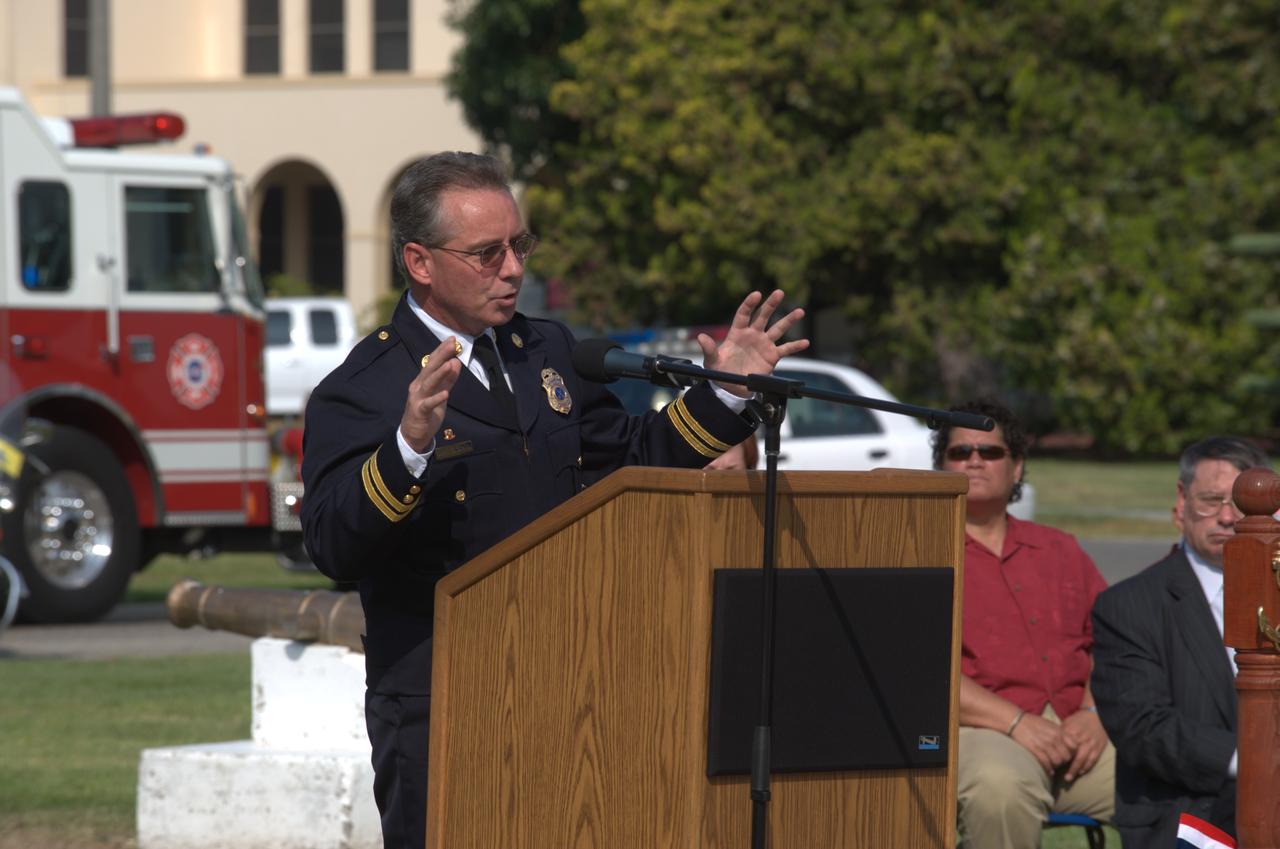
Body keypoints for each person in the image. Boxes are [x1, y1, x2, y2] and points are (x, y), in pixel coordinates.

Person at [299, 151, 808, 849]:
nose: (513, 268)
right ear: (420, 262)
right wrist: (407, 448)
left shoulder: (545, 350)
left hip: (571, 675)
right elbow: (332, 544)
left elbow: (633, 455)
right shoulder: (364, 386)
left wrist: (724, 393)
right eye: (487, 253)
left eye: (520, 245)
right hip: (444, 694)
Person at [934, 399, 1114, 849]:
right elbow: (918, 670)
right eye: (960, 451)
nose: (975, 460)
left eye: (991, 451)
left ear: (1016, 469)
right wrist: (1016, 723)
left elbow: (1115, 643)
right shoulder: (922, 553)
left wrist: (1095, 714)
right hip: (981, 732)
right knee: (1000, 791)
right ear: (942, 466)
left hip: (1080, 730)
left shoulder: (1061, 549)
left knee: (1176, 772)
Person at [1090, 436, 1269, 848]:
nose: (1227, 517)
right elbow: (1142, 726)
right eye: (1211, 501)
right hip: (1188, 815)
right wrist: (1257, 762)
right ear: (1182, 502)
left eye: (1240, 504)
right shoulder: (1128, 606)